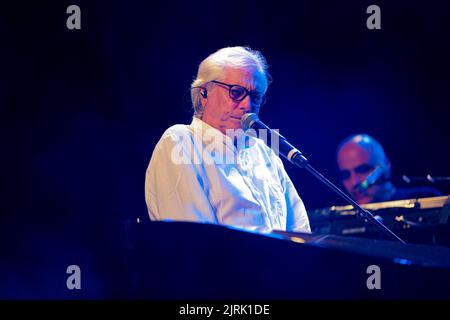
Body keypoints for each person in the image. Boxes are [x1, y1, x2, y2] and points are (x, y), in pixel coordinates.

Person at [145, 46, 310, 234]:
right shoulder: (180, 141)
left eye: (255, 97)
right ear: (203, 93)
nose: (247, 105)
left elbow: (299, 230)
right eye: (236, 92)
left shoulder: (264, 151)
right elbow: (194, 239)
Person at [337, 133, 441, 204]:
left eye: (363, 170)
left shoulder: (425, 198)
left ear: (386, 165)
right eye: (346, 175)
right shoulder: (338, 219)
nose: (354, 182)